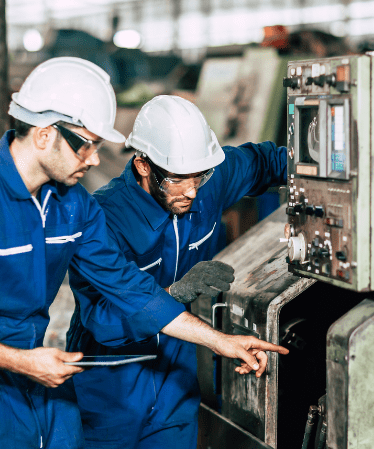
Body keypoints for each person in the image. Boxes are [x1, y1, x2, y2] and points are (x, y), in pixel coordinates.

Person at [0, 59, 288, 449]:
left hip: (42, 383)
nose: (96, 159)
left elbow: (129, 288)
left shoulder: (73, 207)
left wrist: (220, 340)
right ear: (45, 134)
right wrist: (21, 361)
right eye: (86, 144)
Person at [65, 95, 289, 448]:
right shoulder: (104, 218)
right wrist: (175, 294)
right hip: (110, 381)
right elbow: (102, 321)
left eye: (199, 177)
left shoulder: (202, 179)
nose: (191, 191)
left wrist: (330, 162)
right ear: (143, 165)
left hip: (176, 373)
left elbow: (267, 162)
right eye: (177, 180)